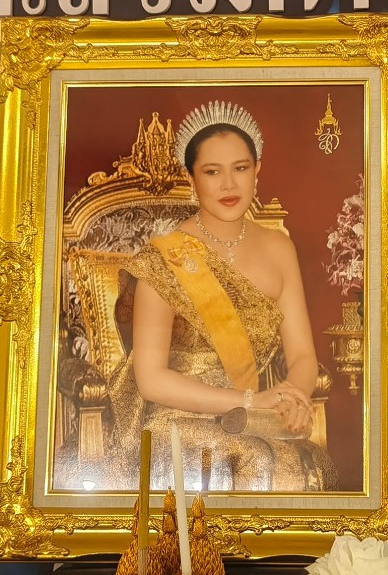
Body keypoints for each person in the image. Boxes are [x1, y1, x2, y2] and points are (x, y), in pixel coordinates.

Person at [106, 100, 328, 491]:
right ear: (191, 178)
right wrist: (250, 400)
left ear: (257, 171)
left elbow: (303, 356)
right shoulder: (164, 258)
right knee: (253, 457)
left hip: (253, 418)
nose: (228, 184)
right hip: (176, 418)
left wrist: (294, 398)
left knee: (293, 465)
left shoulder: (280, 249)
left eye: (240, 168)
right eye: (212, 172)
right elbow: (152, 380)